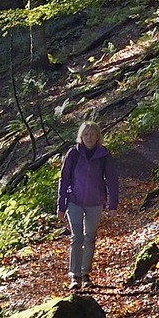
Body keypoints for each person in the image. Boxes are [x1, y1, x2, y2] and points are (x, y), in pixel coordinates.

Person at [57, 115, 118, 296]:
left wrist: (113, 204)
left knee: (90, 237)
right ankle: (75, 276)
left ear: (98, 136)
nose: (89, 137)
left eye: (92, 134)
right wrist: (61, 205)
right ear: (81, 137)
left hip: (95, 202)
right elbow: (64, 179)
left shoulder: (104, 155)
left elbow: (112, 180)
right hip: (74, 201)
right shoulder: (73, 154)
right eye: (86, 134)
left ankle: (86, 274)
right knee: (77, 237)